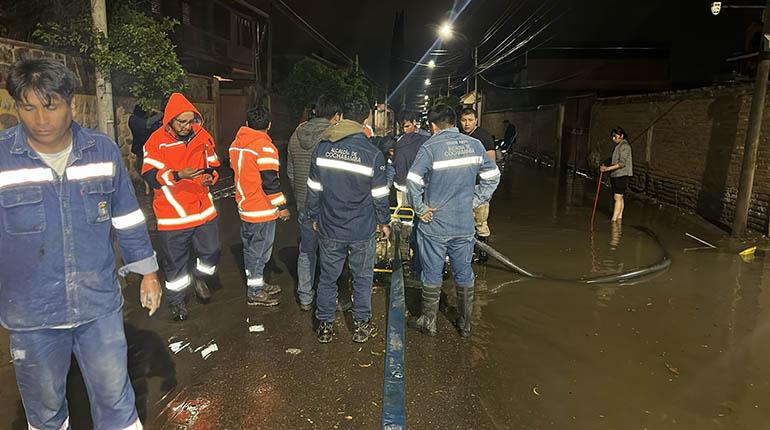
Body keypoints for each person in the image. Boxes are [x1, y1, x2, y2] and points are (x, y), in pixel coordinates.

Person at [0, 58, 160, 430]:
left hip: (98, 305)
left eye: (51, 106)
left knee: (115, 398)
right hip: (31, 314)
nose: (40, 119)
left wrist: (148, 271)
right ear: (17, 108)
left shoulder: (102, 152)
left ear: (71, 103)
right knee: (44, 409)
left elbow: (127, 215)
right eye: (29, 107)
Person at [408, 104, 500, 338]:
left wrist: (420, 208)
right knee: (464, 272)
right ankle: (465, 324)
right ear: (455, 122)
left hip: (434, 224)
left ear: (432, 126)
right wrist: (475, 200)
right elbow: (493, 176)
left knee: (431, 273)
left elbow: (413, 180)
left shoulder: (430, 147)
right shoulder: (475, 145)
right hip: (463, 224)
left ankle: (429, 322)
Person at [307, 97, 391, 343]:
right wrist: (384, 222)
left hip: (330, 225)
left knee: (328, 277)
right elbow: (379, 196)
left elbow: (313, 189)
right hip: (362, 229)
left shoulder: (322, 148)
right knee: (362, 278)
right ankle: (361, 327)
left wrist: (313, 216)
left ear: (341, 116)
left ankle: (325, 325)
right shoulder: (373, 154)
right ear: (365, 120)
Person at [142, 92, 221, 321]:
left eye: (190, 121)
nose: (187, 126)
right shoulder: (156, 142)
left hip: (202, 208)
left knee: (212, 251)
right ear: (170, 121)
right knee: (174, 264)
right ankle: (177, 303)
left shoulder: (202, 136)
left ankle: (199, 277)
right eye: (182, 121)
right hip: (172, 213)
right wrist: (177, 175)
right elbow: (150, 176)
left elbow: (214, 165)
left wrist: (210, 177)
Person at [230, 106, 290, 307]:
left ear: (247, 124)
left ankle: (258, 284)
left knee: (252, 248)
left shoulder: (237, 144)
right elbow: (270, 180)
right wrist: (281, 206)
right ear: (269, 125)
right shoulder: (264, 147)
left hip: (245, 204)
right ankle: (255, 291)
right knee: (259, 251)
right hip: (261, 208)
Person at [287, 95, 341, 311]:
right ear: (336, 116)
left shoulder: (295, 134)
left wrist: (300, 196)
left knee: (306, 251)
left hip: (303, 203)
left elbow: (290, 172)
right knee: (331, 253)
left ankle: (305, 297)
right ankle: (329, 299)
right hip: (328, 205)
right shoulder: (333, 136)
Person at [392, 110, 431, 279]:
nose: (405, 129)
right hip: (407, 189)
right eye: (403, 126)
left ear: (414, 123)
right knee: (409, 223)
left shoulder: (425, 140)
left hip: (415, 189)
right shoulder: (399, 142)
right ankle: (408, 257)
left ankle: (410, 258)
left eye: (407, 125)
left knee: (414, 223)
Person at [460, 107, 496, 263]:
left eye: (470, 120)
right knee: (465, 221)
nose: (467, 124)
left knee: (480, 222)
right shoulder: (460, 137)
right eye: (464, 120)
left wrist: (485, 191)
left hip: (478, 187)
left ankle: (483, 255)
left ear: (476, 120)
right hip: (463, 187)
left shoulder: (484, 138)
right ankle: (469, 252)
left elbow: (491, 164)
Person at [600, 126, 633, 222]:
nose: (613, 139)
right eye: (613, 137)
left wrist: (607, 169)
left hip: (622, 175)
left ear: (622, 136)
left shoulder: (624, 146)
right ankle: (619, 218)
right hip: (617, 174)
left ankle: (614, 220)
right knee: (620, 196)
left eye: (615, 136)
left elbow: (622, 163)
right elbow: (614, 159)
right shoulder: (619, 146)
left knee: (617, 197)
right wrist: (606, 163)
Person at [129, 104, 162, 195]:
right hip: (146, 147)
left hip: (138, 147)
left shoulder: (132, 120)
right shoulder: (146, 122)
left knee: (139, 166)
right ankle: (150, 186)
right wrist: (156, 111)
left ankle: (147, 186)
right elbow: (159, 117)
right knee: (146, 168)